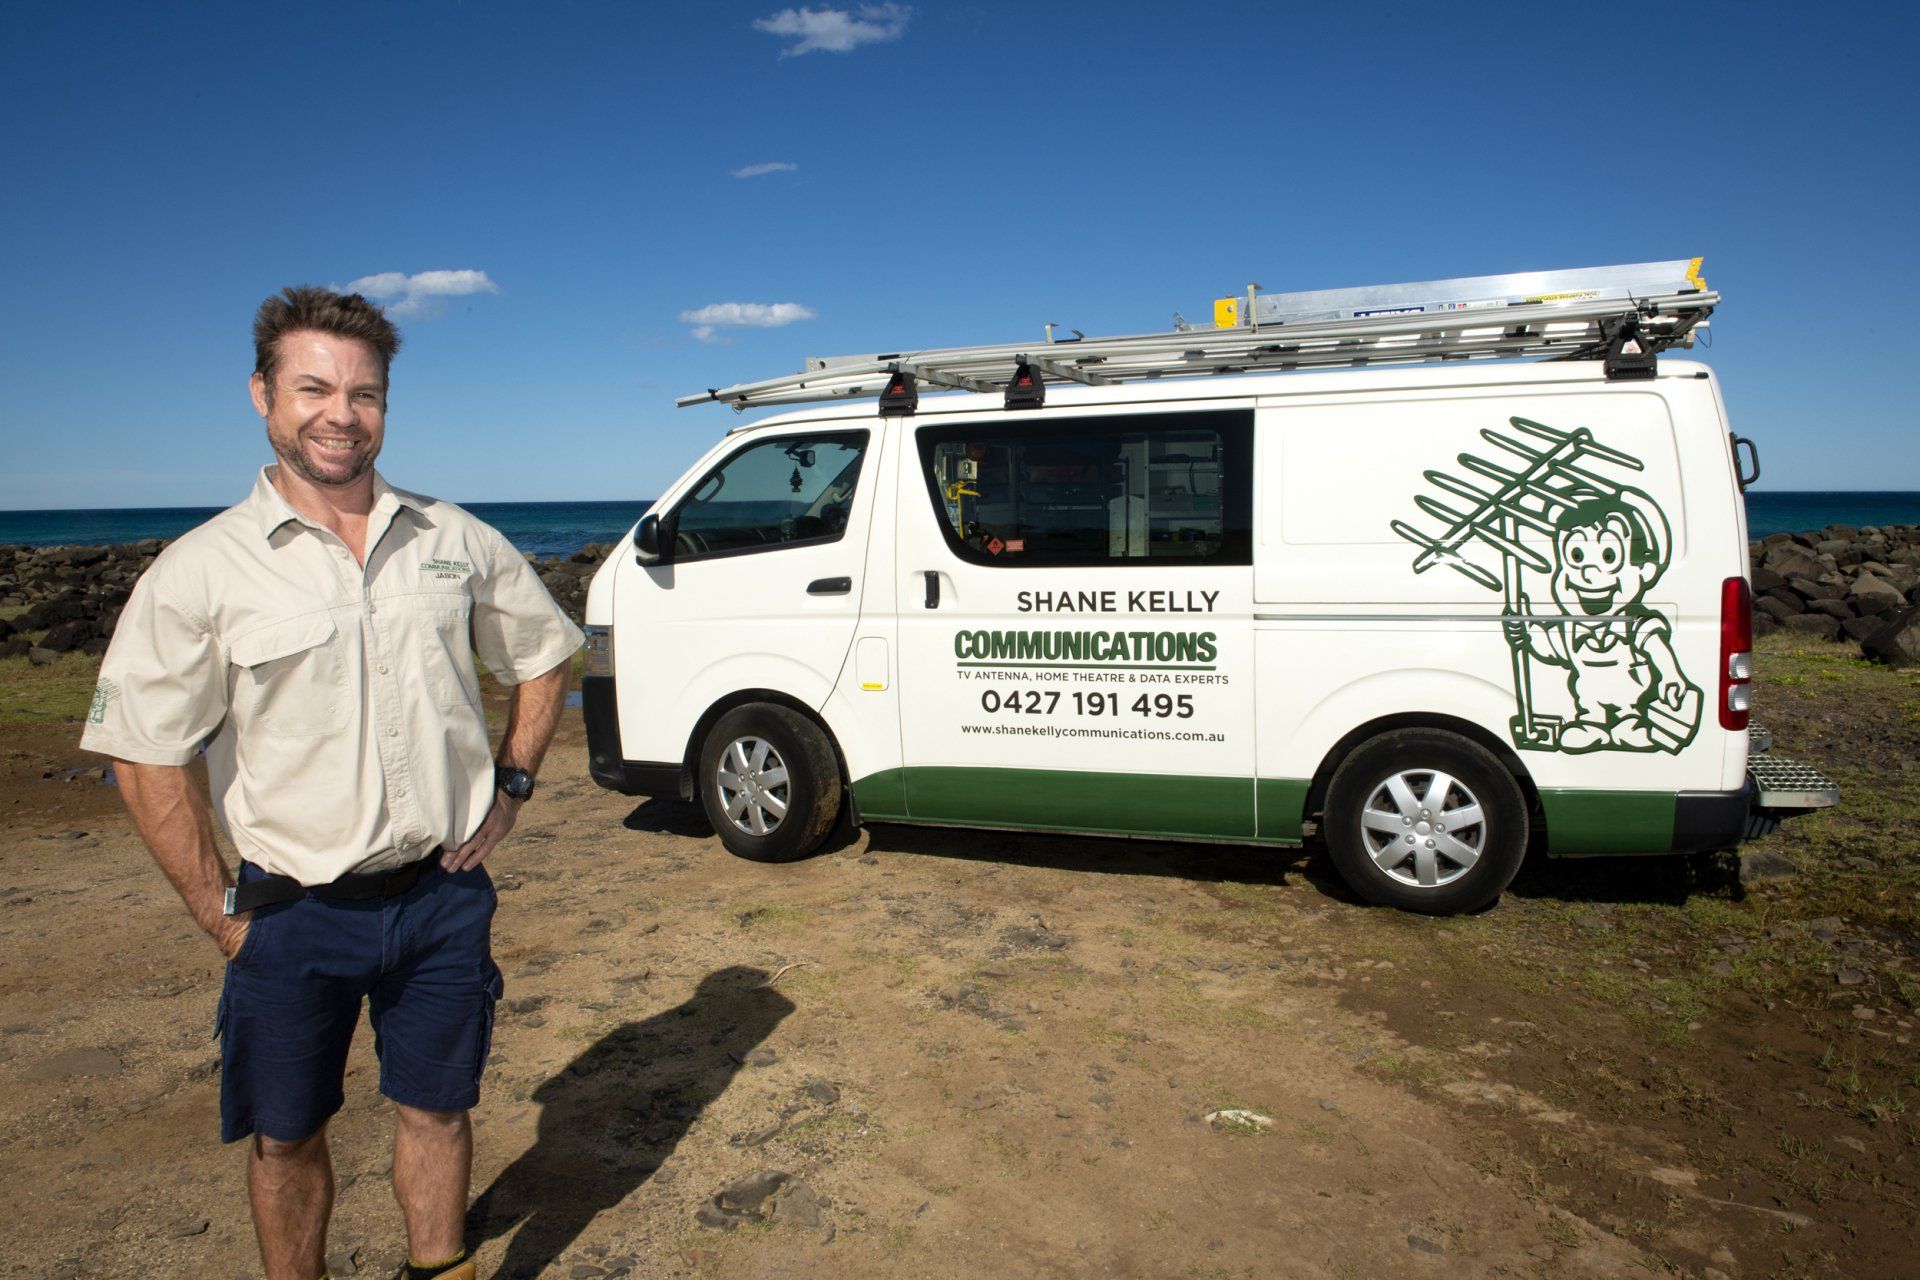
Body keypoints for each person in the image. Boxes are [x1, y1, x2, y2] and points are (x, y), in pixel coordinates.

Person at [81, 286, 583, 1280]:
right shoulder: (200, 569)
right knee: (285, 1134)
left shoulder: (454, 538)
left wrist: (514, 782)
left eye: (365, 391)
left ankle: (439, 1268)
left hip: (441, 897)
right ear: (262, 392)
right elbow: (142, 749)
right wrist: (219, 913)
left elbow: (542, 650)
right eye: (313, 386)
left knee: (439, 1108)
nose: (340, 412)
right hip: (289, 911)